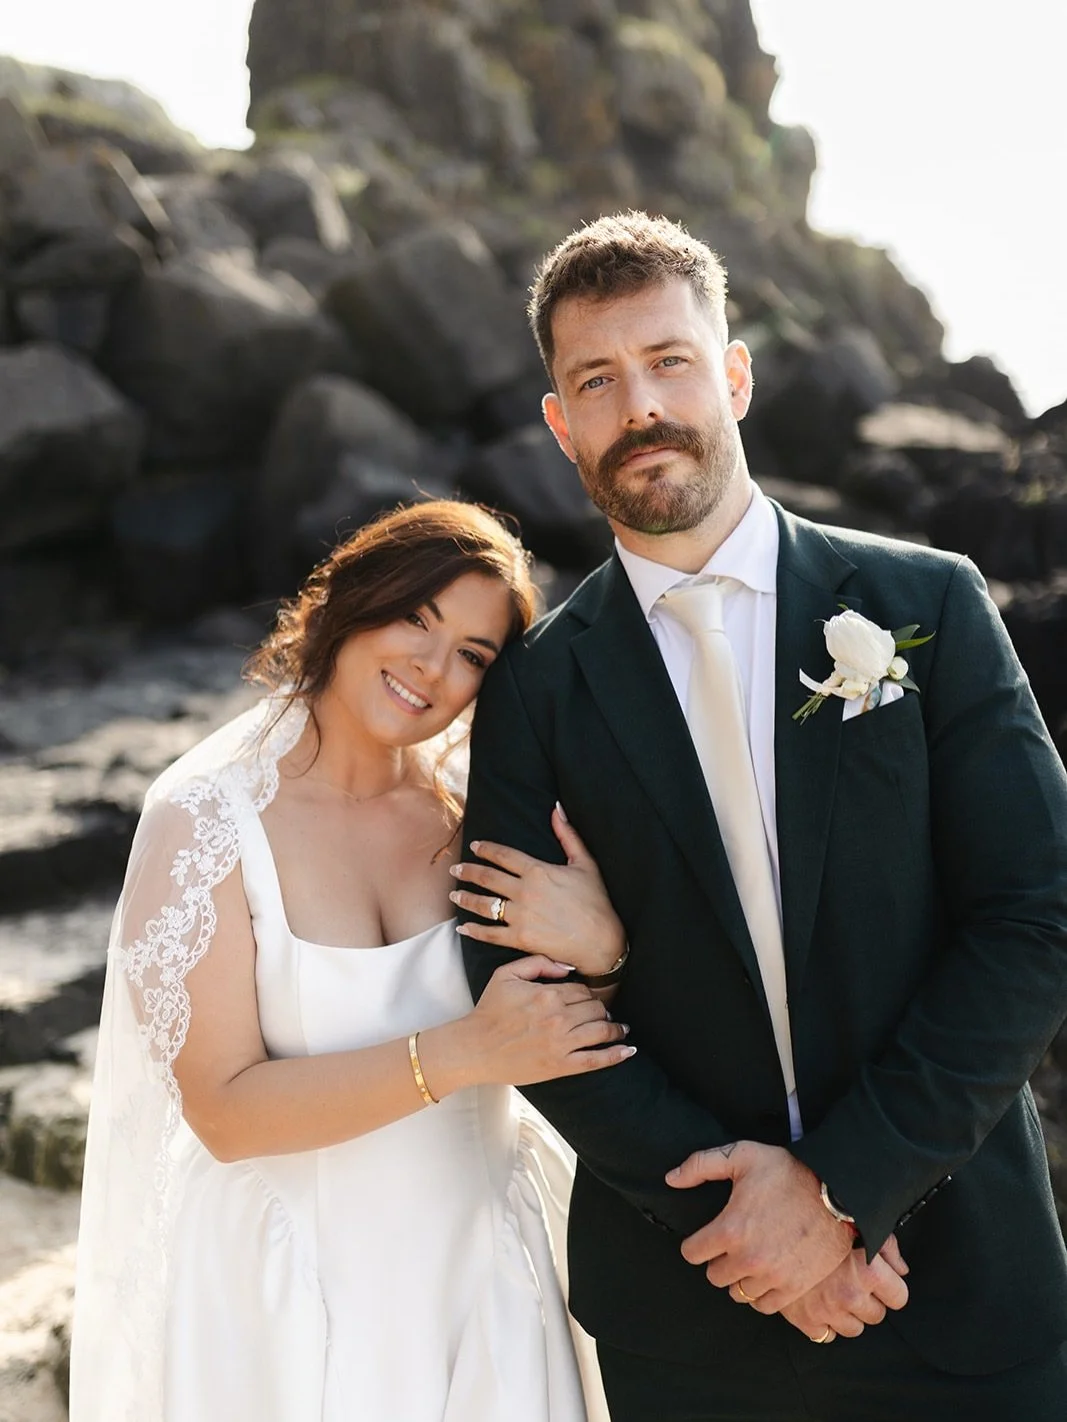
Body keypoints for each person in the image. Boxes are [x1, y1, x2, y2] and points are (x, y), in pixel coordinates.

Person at [455, 212, 1067, 1420]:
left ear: (731, 374)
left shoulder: (922, 602)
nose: (640, 406)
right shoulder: (534, 684)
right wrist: (743, 1226)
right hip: (692, 1317)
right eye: (597, 379)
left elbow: (1033, 916)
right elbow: (512, 985)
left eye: (669, 361)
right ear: (559, 423)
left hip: (955, 1283)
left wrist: (840, 1193)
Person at [69, 501, 631, 1422]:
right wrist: (463, 1056)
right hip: (292, 1295)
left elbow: (562, 1024)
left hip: (484, 1276)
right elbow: (222, 1111)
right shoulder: (208, 826)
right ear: (348, 598)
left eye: (472, 656)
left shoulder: (476, 814)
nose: (430, 666)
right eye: (416, 617)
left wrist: (604, 949)